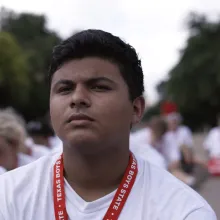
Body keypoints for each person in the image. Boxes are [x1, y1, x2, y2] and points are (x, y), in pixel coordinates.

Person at [0, 29, 216, 220]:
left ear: (136, 109)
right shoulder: (8, 196)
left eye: (99, 87)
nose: (77, 98)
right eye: (64, 88)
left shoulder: (184, 212)